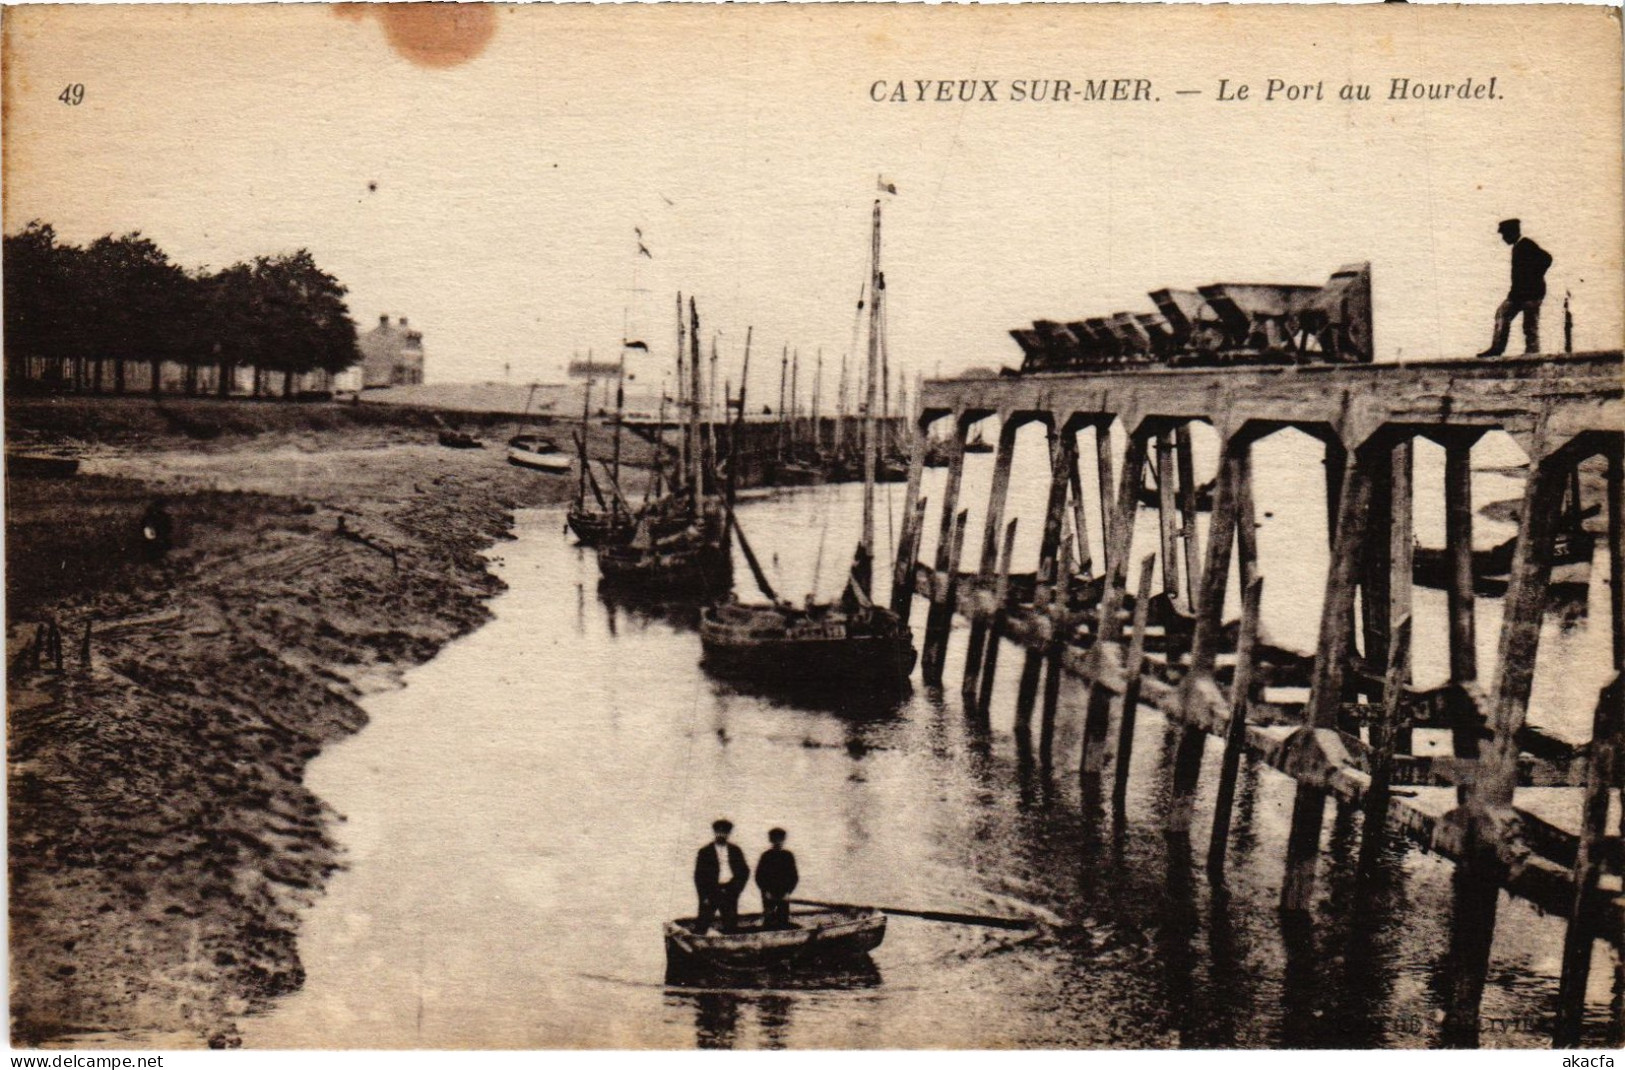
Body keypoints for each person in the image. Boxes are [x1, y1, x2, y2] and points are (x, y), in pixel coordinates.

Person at [1478, 218, 1553, 357]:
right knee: (1502, 313)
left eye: (1504, 235)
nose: (1503, 238)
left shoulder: (1526, 244)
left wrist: (1534, 278)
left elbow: (1547, 259)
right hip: (1518, 294)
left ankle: (1532, 353)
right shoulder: (1518, 247)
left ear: (1511, 233)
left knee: (1529, 324)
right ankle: (1497, 349)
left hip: (1532, 294)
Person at [693, 819, 749, 933]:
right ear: (714, 832)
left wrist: (736, 890)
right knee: (702, 925)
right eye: (719, 831)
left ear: (729, 834)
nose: (722, 834)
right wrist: (704, 896)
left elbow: (744, 871)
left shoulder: (735, 850)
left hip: (729, 891)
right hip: (711, 892)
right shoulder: (704, 852)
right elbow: (699, 876)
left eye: (725, 832)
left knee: (731, 926)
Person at [754, 827, 800, 929]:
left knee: (783, 920)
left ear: (784, 840)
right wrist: (766, 891)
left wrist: (788, 892)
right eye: (775, 839)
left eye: (780, 839)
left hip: (784, 894)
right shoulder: (766, 856)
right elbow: (759, 876)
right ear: (771, 840)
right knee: (768, 920)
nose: (778, 842)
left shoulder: (788, 856)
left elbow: (794, 877)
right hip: (769, 894)